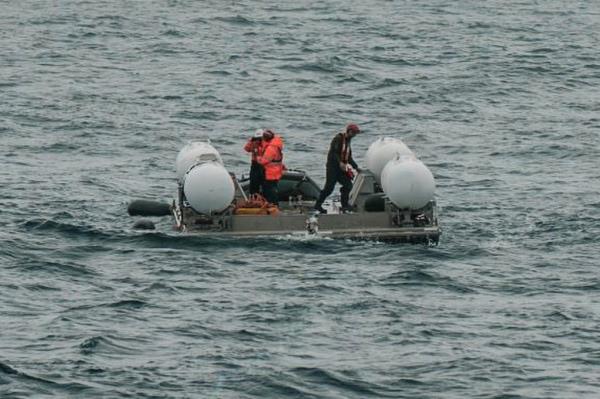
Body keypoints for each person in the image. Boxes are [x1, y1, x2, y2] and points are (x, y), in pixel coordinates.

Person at [314, 123, 361, 214]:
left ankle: (344, 205)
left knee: (348, 185)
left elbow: (349, 157)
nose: (355, 135)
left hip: (341, 169)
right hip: (333, 168)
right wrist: (339, 162)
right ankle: (318, 205)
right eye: (354, 133)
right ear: (349, 131)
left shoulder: (348, 142)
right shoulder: (338, 139)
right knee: (329, 188)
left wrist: (356, 167)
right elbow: (333, 153)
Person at [256, 129, 285, 205]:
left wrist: (258, 158)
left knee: (270, 190)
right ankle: (273, 204)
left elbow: (264, 161)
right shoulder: (276, 144)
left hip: (270, 172)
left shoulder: (271, 148)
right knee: (273, 188)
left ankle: (273, 205)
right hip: (276, 171)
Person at [243, 129, 266, 195]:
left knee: (264, 183)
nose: (259, 140)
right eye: (257, 138)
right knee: (253, 182)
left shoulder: (266, 144)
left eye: (260, 138)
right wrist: (252, 141)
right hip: (255, 165)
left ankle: (263, 198)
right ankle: (254, 197)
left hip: (264, 165)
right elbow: (246, 149)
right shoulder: (253, 143)